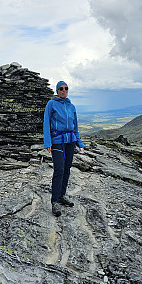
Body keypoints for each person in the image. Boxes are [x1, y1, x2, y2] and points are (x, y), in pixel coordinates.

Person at [43, 81, 85, 217]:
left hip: (70, 142)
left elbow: (75, 126)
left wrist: (79, 143)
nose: (63, 90)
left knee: (67, 169)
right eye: (61, 89)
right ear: (57, 90)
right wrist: (48, 141)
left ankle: (62, 195)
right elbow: (46, 123)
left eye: (66, 88)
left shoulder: (71, 106)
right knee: (59, 169)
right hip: (57, 141)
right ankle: (54, 200)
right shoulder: (51, 104)